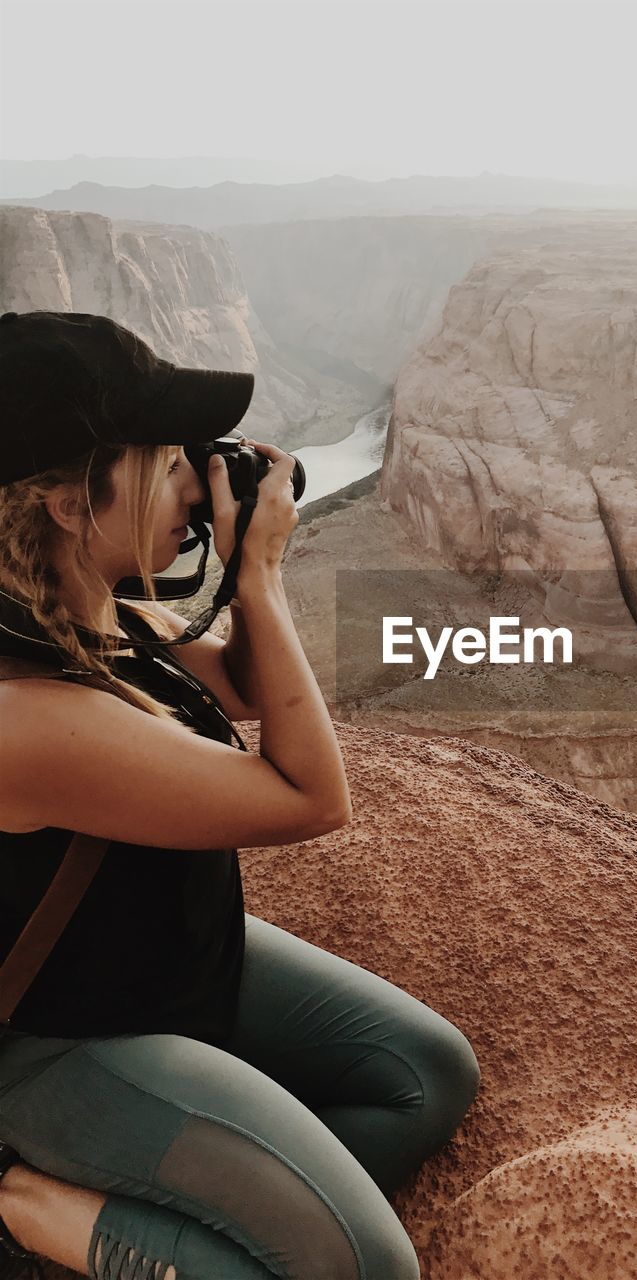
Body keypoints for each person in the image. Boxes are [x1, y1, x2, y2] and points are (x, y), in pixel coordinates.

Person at [0, 311, 481, 1280]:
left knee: (425, 1076)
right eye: (166, 457)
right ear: (66, 501)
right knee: (365, 1265)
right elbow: (307, 795)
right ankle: (40, 1219)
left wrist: (252, 567)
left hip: (176, 963)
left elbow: (256, 689)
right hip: (70, 1039)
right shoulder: (25, 714)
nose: (194, 476)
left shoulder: (95, 608)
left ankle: (223, 1208)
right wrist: (253, 573)